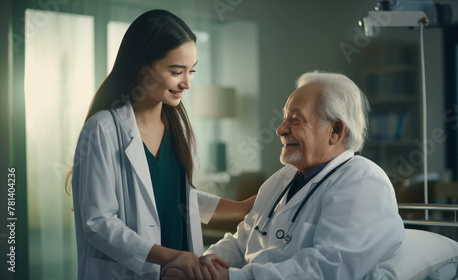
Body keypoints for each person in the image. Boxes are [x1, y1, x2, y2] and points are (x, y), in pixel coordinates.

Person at [162, 71, 405, 279]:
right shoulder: (282, 179)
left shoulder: (363, 182)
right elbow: (241, 240)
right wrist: (200, 265)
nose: (280, 130)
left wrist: (231, 277)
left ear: (335, 130)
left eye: (296, 119)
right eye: (284, 117)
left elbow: (328, 269)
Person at [69, 9, 255, 280]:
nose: (187, 83)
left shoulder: (178, 129)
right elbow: (98, 224)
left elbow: (180, 197)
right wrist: (172, 256)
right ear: (143, 67)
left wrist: (240, 207)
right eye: (177, 71)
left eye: (192, 71)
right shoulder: (103, 129)